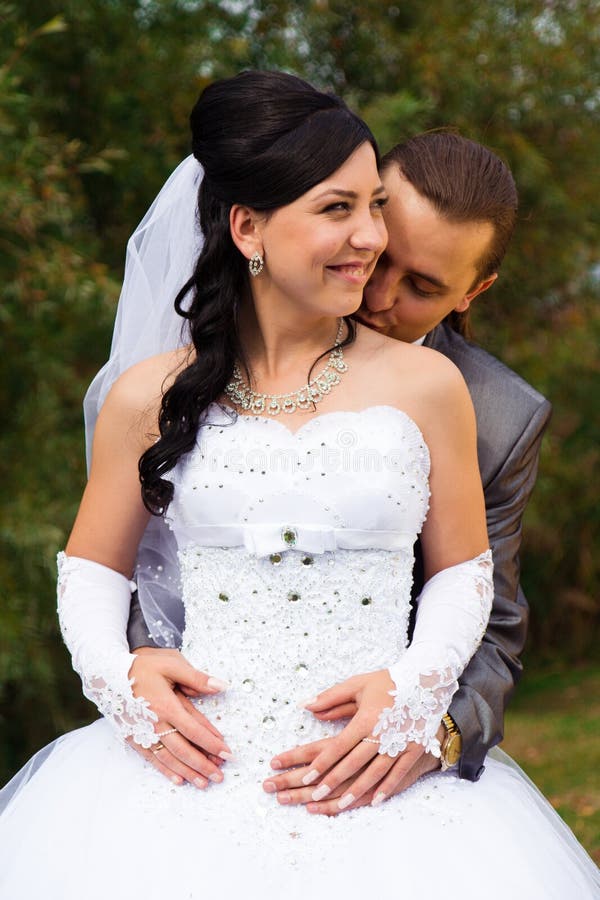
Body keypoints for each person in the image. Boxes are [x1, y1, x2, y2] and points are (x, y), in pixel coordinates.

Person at [0, 71, 597, 899]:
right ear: (249, 227)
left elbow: (480, 595)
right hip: (196, 757)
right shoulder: (154, 393)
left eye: (419, 283)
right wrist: (119, 674)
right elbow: (97, 566)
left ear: (471, 295)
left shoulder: (453, 398)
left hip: (379, 761)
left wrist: (421, 706)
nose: (375, 275)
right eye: (348, 213)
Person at [125, 132, 552, 802]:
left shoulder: (497, 417)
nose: (375, 293)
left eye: (421, 286)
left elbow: (493, 620)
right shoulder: (211, 346)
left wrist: (430, 731)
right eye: (381, 255)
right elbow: (136, 544)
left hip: (373, 743)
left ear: (475, 291)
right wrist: (139, 665)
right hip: (208, 732)